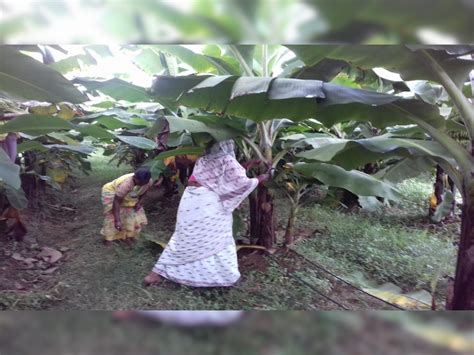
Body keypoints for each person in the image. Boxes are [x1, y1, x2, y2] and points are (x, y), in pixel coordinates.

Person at [144, 140, 271, 287]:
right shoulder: (227, 159)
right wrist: (263, 178)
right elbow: (240, 183)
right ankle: (219, 277)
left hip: (190, 201)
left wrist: (248, 164)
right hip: (208, 204)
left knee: (184, 239)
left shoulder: (204, 159)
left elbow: (222, 174)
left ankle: (156, 274)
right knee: (215, 238)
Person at [101, 167, 156, 246]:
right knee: (112, 215)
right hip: (111, 191)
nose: (142, 185)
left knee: (131, 213)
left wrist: (139, 202)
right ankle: (109, 239)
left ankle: (127, 236)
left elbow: (144, 192)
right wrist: (117, 220)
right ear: (134, 178)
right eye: (140, 183)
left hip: (128, 193)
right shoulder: (126, 184)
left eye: (144, 183)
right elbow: (116, 202)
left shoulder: (148, 182)